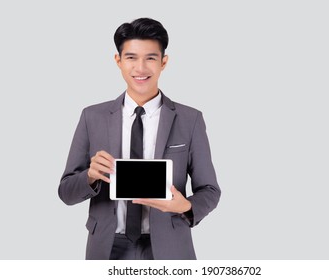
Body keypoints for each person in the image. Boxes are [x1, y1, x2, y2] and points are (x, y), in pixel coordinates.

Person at [58, 17, 221, 260]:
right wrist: (90, 176)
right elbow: (66, 192)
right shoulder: (92, 117)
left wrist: (186, 206)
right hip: (107, 246)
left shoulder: (190, 119)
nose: (141, 68)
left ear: (163, 62)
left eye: (150, 58)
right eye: (132, 57)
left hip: (169, 247)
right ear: (118, 61)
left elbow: (209, 190)